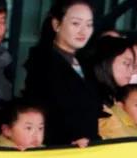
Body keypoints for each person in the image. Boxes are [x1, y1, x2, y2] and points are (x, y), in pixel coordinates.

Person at [21, 0, 100, 147]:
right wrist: (67, 142)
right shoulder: (41, 64)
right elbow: (42, 115)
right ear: (56, 24)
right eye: (76, 23)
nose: (83, 31)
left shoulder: (86, 63)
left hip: (88, 149)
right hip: (60, 150)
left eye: (89, 25)